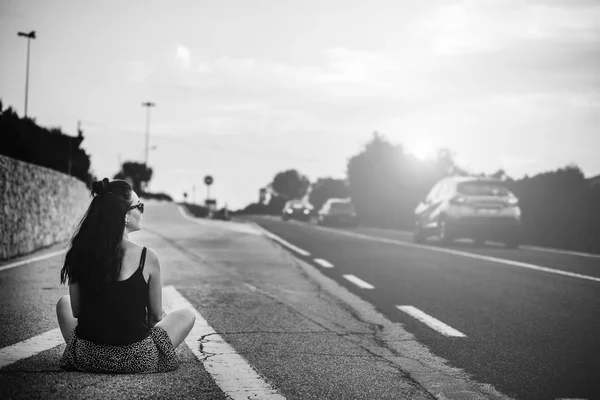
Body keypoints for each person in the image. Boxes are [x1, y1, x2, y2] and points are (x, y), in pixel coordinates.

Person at [56, 178, 195, 373]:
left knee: (64, 302)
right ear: (124, 216)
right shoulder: (147, 257)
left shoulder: (80, 252)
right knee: (187, 315)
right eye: (139, 206)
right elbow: (155, 317)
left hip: (86, 358)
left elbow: (77, 312)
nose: (142, 211)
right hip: (137, 358)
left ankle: (94, 352)